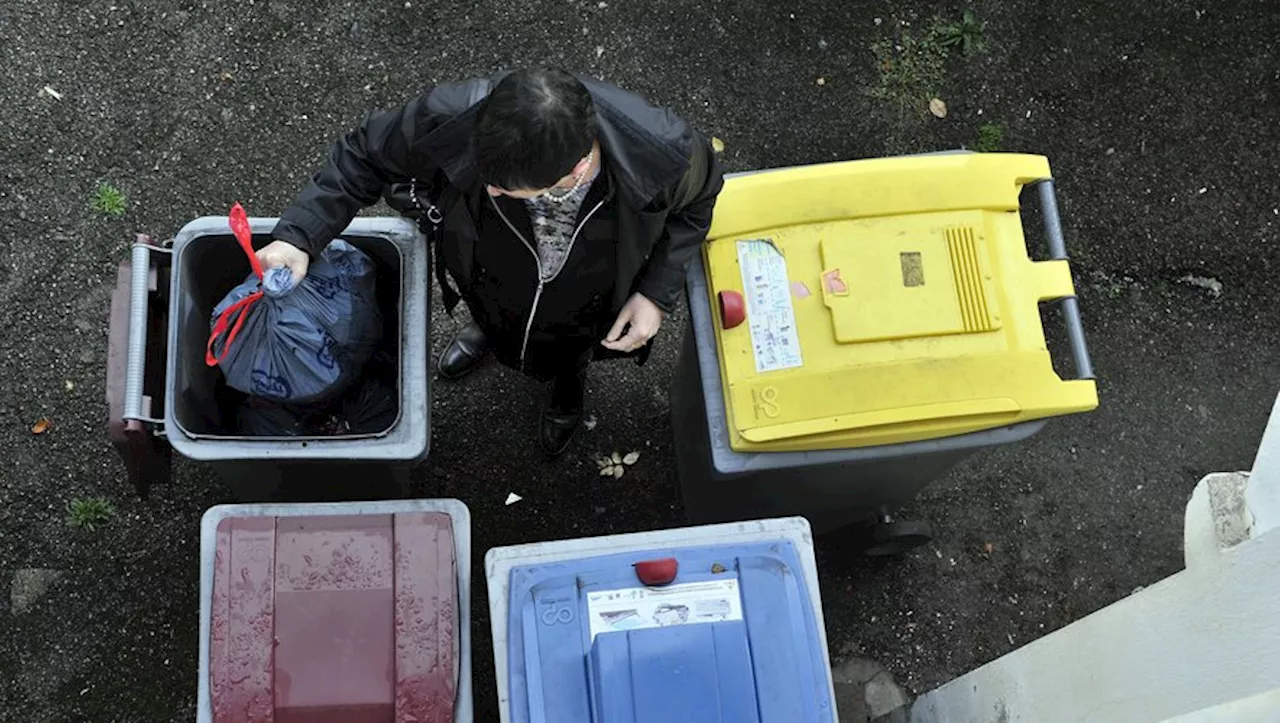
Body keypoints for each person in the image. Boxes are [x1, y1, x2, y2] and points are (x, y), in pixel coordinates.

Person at [256, 68, 724, 455]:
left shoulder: (665, 152)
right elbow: (362, 155)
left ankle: (567, 387)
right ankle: (487, 334)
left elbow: (700, 202)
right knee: (490, 306)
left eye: (506, 189)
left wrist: (655, 294)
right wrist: (299, 235)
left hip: (591, 294)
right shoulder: (452, 115)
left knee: (571, 347)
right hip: (486, 268)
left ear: (575, 171)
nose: (491, 190)